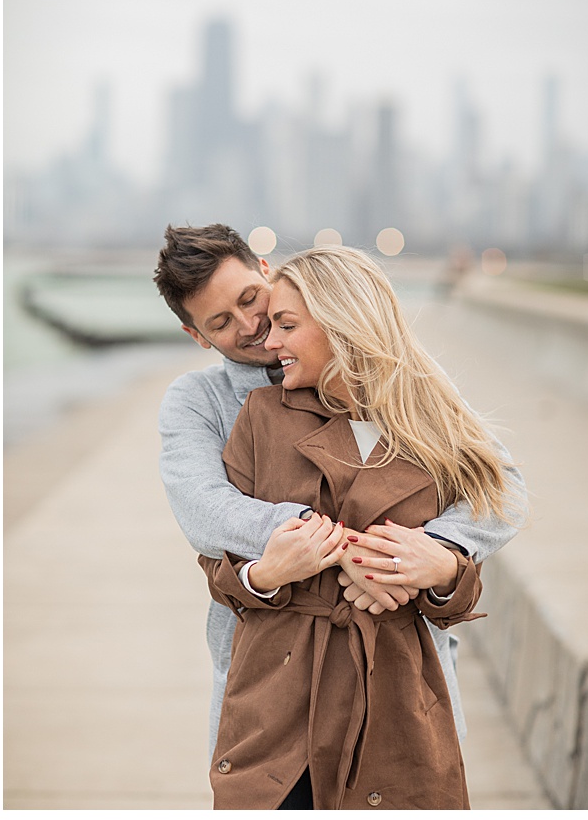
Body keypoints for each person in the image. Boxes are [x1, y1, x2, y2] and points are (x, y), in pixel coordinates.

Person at [152, 226, 521, 804]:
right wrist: (337, 548)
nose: (253, 329)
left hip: (399, 680)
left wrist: (430, 554)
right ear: (194, 335)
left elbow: (501, 486)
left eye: (252, 301)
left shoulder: (407, 385)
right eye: (220, 322)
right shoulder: (203, 402)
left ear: (267, 272)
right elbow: (207, 514)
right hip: (271, 689)